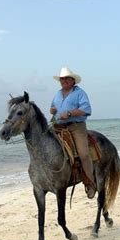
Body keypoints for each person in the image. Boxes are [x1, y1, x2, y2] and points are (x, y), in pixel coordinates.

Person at [50, 67, 96, 199]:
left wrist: (70, 113)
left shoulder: (80, 93)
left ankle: (90, 183)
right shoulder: (58, 94)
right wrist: (52, 110)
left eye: (66, 79)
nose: (63, 81)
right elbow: (52, 107)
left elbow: (86, 109)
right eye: (62, 79)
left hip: (76, 126)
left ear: (72, 80)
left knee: (84, 154)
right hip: (58, 126)